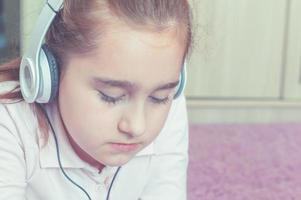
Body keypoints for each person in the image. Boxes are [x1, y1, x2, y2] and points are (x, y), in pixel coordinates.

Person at [0, 0, 192, 199]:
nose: (137, 126)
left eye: (158, 98)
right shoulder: (9, 120)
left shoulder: (172, 104)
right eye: (111, 96)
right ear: (49, 75)